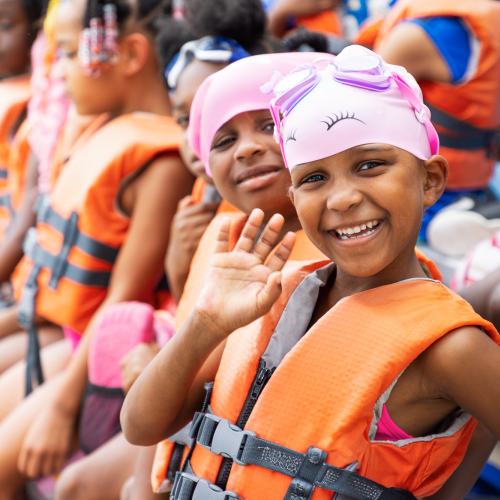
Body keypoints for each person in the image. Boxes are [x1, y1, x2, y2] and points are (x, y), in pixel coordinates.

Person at [122, 46, 500, 500]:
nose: (341, 198)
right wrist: (205, 323)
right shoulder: (273, 296)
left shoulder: (451, 349)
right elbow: (142, 426)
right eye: (314, 178)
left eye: (369, 165)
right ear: (294, 196)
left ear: (430, 179)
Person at [0, 0, 194, 495]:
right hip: (57, 330)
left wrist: (62, 410)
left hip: (94, 351)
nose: (57, 71)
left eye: (67, 53)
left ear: (129, 55)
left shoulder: (163, 161)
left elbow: (121, 299)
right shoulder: (100, 127)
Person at [375, 0, 500, 247]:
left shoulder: (421, 35)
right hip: (474, 179)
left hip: (429, 191)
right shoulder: (483, 23)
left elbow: (362, 108)